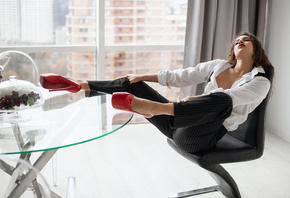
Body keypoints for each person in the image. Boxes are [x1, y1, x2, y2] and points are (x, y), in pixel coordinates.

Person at [40, 32, 273, 153]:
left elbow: (229, 99)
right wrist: (141, 77)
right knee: (130, 83)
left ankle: (159, 108)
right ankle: (80, 84)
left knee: (223, 100)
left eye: (246, 40)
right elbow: (179, 76)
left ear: (256, 50)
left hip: (199, 136)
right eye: (237, 41)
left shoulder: (261, 82)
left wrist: (194, 100)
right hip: (177, 122)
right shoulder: (219, 66)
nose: (240, 41)